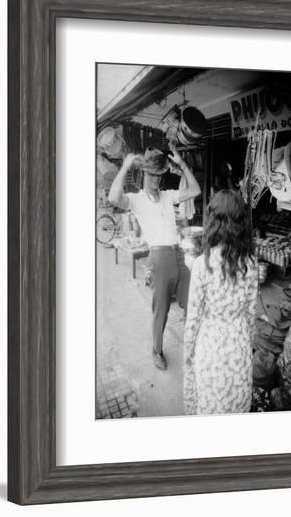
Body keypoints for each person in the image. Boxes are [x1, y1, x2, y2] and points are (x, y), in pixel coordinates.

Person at [108, 146, 201, 370]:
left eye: (159, 175)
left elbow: (195, 190)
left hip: (179, 255)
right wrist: (125, 166)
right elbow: (113, 197)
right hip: (159, 258)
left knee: (193, 304)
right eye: (151, 175)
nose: (156, 180)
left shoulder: (168, 196)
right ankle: (156, 350)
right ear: (143, 174)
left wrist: (182, 164)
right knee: (161, 311)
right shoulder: (136, 199)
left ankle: (192, 347)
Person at [184, 189, 258, 415]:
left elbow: (193, 318)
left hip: (211, 347)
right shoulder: (251, 264)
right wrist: (248, 343)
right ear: (241, 223)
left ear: (213, 221)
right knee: (236, 406)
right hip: (239, 345)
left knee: (211, 406)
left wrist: (188, 353)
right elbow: (250, 315)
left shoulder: (201, 265)